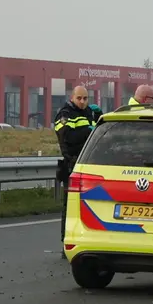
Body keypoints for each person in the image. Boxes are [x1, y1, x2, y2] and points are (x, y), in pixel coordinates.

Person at [54, 86, 96, 253]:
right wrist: (88, 131)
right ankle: (66, 244)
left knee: (90, 205)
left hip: (88, 164)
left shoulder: (89, 113)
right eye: (79, 98)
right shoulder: (65, 114)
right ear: (72, 97)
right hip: (72, 164)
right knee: (70, 208)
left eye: (85, 98)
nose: (82, 102)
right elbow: (67, 137)